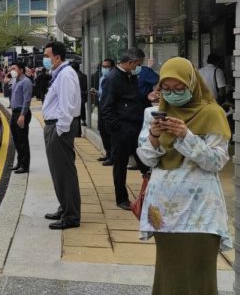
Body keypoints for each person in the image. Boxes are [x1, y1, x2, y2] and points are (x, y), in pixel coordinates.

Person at [137, 57, 232, 295]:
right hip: (164, 212)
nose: (172, 94)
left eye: (179, 88)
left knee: (199, 273)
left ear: (192, 84)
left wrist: (186, 136)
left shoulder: (212, 113)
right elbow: (147, 159)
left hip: (200, 212)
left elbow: (216, 162)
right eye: (166, 89)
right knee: (168, 272)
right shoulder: (154, 113)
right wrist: (154, 137)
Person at [100, 48, 150, 210]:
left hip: (136, 127)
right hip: (122, 129)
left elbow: (133, 98)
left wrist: (147, 98)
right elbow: (106, 107)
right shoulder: (113, 78)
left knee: (145, 162)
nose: (138, 67)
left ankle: (150, 193)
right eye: (138, 64)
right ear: (130, 62)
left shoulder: (131, 77)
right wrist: (117, 128)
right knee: (120, 166)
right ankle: (121, 198)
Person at [40, 41, 82, 230]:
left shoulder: (65, 75)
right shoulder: (60, 74)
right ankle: (64, 208)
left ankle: (71, 215)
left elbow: (67, 106)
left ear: (57, 57)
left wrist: (59, 130)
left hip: (59, 127)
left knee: (64, 173)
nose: (45, 59)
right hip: (55, 126)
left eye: (47, 56)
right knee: (58, 172)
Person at [8, 60, 34, 174]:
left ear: (21, 70)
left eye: (14, 68)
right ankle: (19, 162)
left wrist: (23, 115)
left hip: (21, 113)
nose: (12, 70)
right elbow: (5, 82)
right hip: (14, 113)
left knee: (23, 140)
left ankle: (25, 165)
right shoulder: (15, 81)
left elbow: (27, 100)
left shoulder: (26, 82)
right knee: (16, 139)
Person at [92, 59, 115, 166]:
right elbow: (102, 93)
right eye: (103, 66)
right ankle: (108, 153)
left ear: (112, 68)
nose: (104, 69)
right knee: (102, 130)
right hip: (102, 106)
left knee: (109, 131)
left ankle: (112, 157)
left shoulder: (113, 79)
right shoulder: (102, 78)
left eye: (107, 67)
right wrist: (96, 92)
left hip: (110, 108)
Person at [71, 61, 87, 130]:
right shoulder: (84, 75)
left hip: (76, 95)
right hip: (83, 94)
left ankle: (77, 130)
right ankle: (83, 120)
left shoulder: (73, 76)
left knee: (76, 112)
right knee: (82, 108)